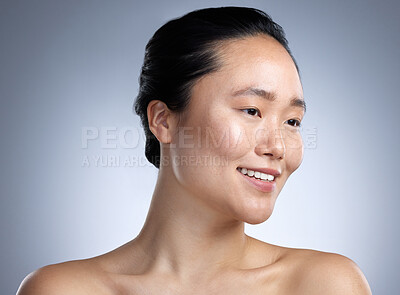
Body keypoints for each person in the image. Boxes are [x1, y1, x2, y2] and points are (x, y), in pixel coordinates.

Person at [17, 6, 372, 294]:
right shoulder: (63, 289)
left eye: (292, 122)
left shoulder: (323, 284)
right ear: (164, 121)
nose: (278, 147)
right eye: (251, 111)